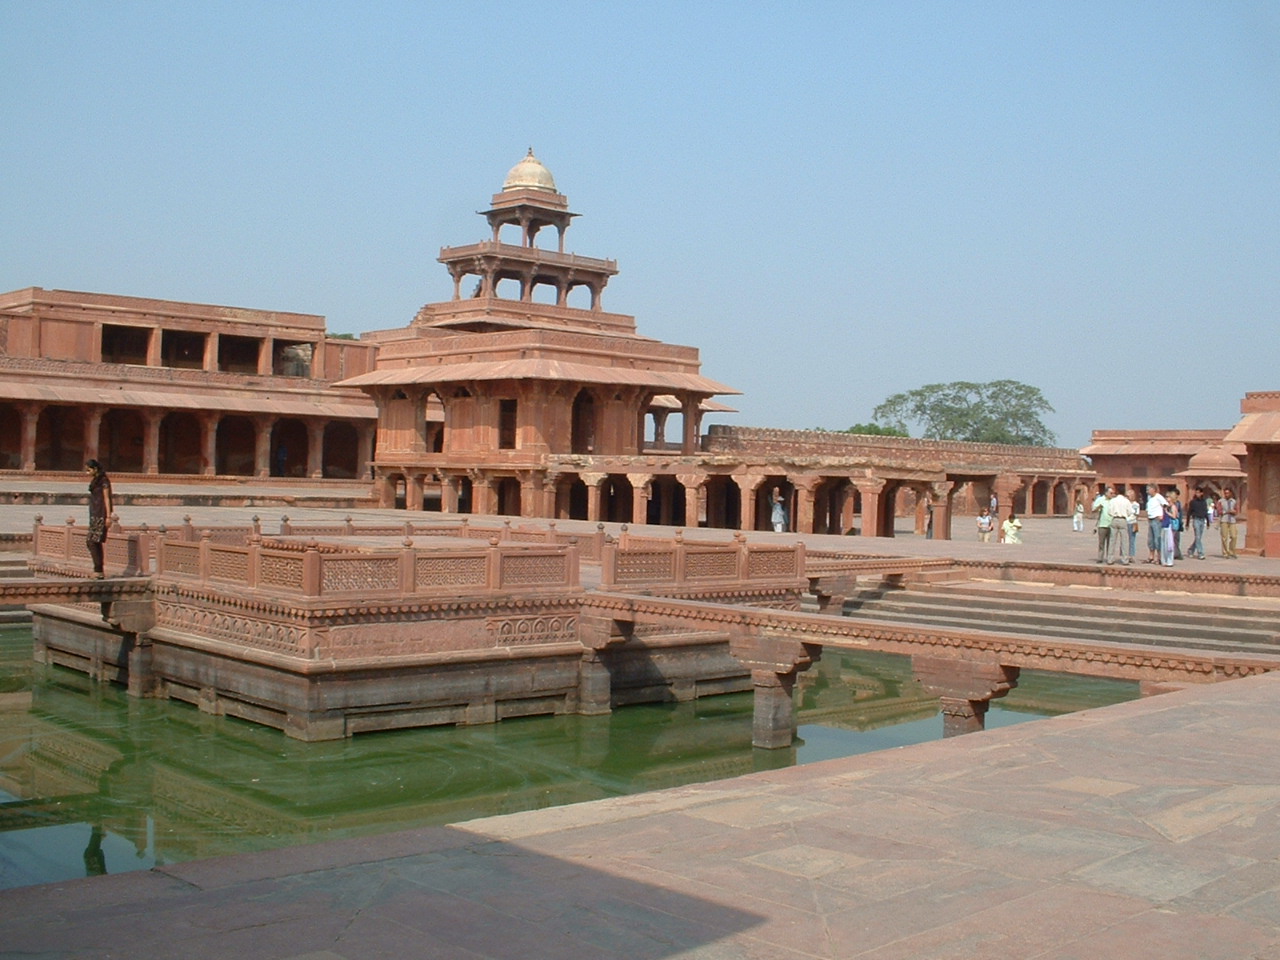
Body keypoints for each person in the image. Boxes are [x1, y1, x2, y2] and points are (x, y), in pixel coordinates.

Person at [85, 459, 112, 578]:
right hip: (94, 513)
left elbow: (107, 498)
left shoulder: (104, 481)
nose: (87, 473)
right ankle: (99, 570)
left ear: (95, 469)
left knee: (92, 541)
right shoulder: (95, 480)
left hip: (101, 514)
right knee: (95, 542)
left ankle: (98, 569)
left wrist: (108, 516)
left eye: (89, 470)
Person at [1107, 487, 1132, 564]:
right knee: (1124, 541)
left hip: (1114, 519)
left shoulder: (1113, 500)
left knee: (1112, 540)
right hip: (1123, 519)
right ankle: (1125, 559)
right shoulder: (1126, 501)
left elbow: (1109, 511)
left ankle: (1110, 559)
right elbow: (1130, 512)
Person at [1145, 484, 1168, 563]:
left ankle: (1159, 557)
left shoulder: (1158, 497)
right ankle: (1151, 556)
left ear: (1153, 489)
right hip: (1151, 519)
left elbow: (1166, 505)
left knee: (1157, 538)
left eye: (1149, 489)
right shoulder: (1149, 498)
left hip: (1156, 519)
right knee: (1150, 539)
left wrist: (1162, 515)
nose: (1147, 491)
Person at [1186, 487, 1209, 559]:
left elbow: (1205, 512)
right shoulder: (1193, 502)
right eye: (1196, 492)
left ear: (1202, 493)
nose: (1197, 494)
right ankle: (1200, 553)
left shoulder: (1204, 502)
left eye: (1198, 493)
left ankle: (1191, 550)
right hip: (1196, 520)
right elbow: (1189, 512)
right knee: (1198, 537)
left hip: (1202, 520)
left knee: (1198, 538)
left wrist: (1208, 522)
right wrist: (1187, 523)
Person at [1092, 486, 1113, 563]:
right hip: (1102, 524)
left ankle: (1109, 558)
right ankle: (1100, 557)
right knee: (1101, 542)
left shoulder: (1113, 501)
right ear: (1106, 493)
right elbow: (1093, 510)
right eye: (1110, 493)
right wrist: (1099, 507)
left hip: (1111, 524)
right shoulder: (1100, 500)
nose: (1112, 494)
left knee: (1110, 543)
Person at [1217, 488, 1239, 558]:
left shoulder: (1233, 501)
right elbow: (1219, 511)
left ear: (1230, 493)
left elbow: (1236, 510)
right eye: (1225, 493)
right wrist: (1227, 512)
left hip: (1232, 520)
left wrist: (1234, 512)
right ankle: (1225, 553)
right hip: (1224, 520)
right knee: (1224, 537)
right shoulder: (1221, 501)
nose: (1226, 495)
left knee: (1234, 536)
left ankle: (1231, 551)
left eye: (1228, 493)